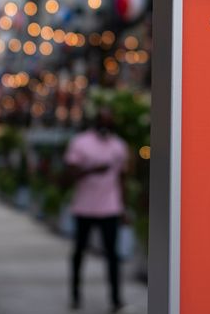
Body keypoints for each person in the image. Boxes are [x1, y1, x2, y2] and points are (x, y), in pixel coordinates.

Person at [64, 107, 130, 312]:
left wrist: (124, 208)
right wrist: (93, 169)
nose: (105, 125)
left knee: (112, 255)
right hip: (84, 207)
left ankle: (116, 298)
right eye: (102, 121)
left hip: (109, 207)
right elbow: (70, 172)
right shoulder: (81, 143)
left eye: (108, 121)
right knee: (79, 253)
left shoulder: (119, 146)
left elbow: (122, 178)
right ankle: (75, 295)